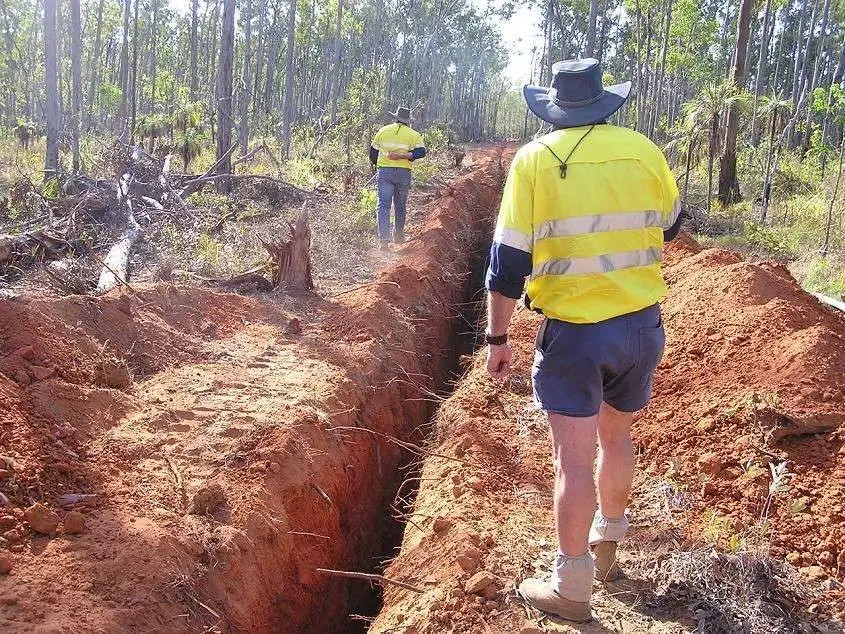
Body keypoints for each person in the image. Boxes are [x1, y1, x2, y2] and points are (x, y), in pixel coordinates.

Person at [483, 58, 685, 622]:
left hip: (575, 334)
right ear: (603, 103)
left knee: (572, 461)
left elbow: (508, 261)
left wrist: (497, 337)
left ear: (554, 108)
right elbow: (671, 225)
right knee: (616, 439)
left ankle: (572, 590)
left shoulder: (535, 160)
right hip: (640, 325)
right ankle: (608, 547)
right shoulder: (644, 150)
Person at [369, 107, 427, 249]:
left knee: (383, 205)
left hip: (385, 173)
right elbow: (421, 152)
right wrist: (404, 156)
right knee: (400, 205)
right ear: (408, 121)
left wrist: (380, 166)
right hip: (403, 173)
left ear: (396, 117)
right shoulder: (414, 135)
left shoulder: (383, 131)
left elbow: (373, 153)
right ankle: (398, 236)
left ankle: (384, 240)